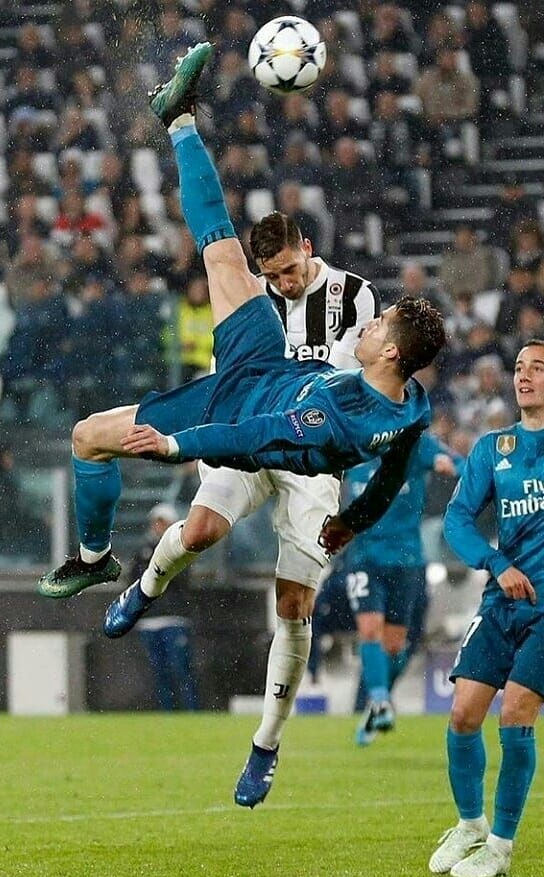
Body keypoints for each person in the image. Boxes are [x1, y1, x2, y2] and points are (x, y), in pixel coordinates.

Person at [37, 38, 445, 768]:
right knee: (216, 257)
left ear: (385, 347)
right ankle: (180, 120)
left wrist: (175, 446)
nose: (367, 323)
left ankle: (265, 744)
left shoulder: (349, 393)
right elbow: (387, 473)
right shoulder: (402, 397)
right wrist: (359, 517)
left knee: (292, 606)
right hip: (258, 374)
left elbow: (263, 434)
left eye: (378, 328)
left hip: (270, 440)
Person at [104, 205, 380, 812]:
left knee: (293, 603)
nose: (283, 284)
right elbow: (222, 376)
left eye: (289, 270)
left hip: (310, 456)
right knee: (199, 531)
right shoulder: (249, 300)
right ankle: (145, 588)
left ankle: (266, 744)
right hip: (251, 434)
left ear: (308, 247)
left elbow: (349, 385)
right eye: (272, 275)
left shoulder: (355, 297)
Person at [428, 338, 544, 877]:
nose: (525, 376)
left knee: (517, 709)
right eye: (520, 368)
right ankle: (470, 826)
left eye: (538, 368)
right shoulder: (492, 448)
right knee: (463, 714)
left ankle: (499, 847)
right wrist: (497, 564)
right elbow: (457, 521)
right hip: (502, 599)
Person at [311, 432, 464, 746]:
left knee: (395, 646)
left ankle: (375, 704)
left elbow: (461, 464)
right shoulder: (354, 443)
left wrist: (448, 463)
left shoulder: (417, 445)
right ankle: (380, 701)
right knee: (369, 629)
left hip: (407, 559)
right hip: (365, 558)